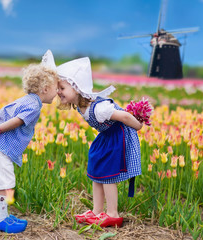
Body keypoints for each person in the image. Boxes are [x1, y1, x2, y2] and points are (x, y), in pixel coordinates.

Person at [56, 57, 143, 228]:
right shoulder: (81, 106)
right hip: (105, 137)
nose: (58, 91)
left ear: (77, 88)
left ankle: (112, 214)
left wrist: (138, 125)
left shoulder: (99, 108)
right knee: (96, 172)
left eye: (62, 88)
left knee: (108, 176)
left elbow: (123, 116)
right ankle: (96, 211)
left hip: (116, 137)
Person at [0, 50, 59, 233]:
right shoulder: (33, 106)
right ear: (46, 89)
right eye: (57, 88)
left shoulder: (26, 100)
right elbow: (17, 121)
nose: (57, 92)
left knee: (5, 183)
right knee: (5, 184)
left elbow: (4, 113)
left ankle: (3, 215)